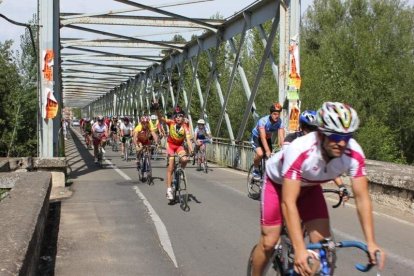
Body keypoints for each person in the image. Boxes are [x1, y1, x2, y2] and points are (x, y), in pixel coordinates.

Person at [250, 102, 385, 276]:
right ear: (321, 135)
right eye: (335, 137)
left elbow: (362, 198)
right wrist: (299, 249)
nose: (342, 143)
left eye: (348, 136)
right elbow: (288, 201)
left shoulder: (353, 153)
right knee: (269, 241)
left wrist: (371, 241)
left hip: (309, 187)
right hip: (278, 185)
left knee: (323, 250)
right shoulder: (300, 149)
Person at [153, 103, 193, 200]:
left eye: (181, 116)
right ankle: (169, 190)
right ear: (174, 117)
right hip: (170, 146)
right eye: (177, 116)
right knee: (170, 167)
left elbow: (188, 140)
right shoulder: (171, 122)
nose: (179, 118)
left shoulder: (185, 127)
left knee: (185, 159)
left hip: (179, 146)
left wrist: (191, 150)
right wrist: (157, 110)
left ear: (183, 117)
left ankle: (181, 170)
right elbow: (161, 118)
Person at [250, 102, 285, 179]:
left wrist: (285, 150)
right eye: (275, 114)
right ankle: (255, 169)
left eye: (278, 114)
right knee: (260, 154)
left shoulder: (280, 122)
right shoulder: (263, 121)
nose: (277, 116)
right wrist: (267, 150)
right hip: (257, 138)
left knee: (269, 158)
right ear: (270, 113)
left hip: (267, 139)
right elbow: (262, 137)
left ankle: (265, 174)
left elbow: (282, 138)